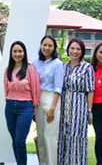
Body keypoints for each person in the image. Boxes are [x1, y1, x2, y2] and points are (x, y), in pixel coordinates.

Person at [58, 37, 94, 165]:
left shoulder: (87, 67)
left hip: (79, 107)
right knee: (63, 136)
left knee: (76, 137)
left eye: (78, 49)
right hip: (63, 106)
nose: (75, 51)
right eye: (72, 48)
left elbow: (90, 90)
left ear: (82, 51)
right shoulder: (63, 66)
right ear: (68, 50)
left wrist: (89, 111)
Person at [4, 40, 40, 165]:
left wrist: (34, 107)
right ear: (11, 53)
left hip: (25, 107)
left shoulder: (30, 69)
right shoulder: (8, 70)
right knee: (14, 140)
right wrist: (7, 102)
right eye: (15, 51)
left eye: (20, 51)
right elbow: (6, 89)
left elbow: (36, 89)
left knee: (20, 140)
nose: (17, 54)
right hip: (9, 107)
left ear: (24, 53)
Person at [32, 35, 64, 165]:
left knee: (50, 137)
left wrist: (52, 108)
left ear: (54, 48)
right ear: (41, 45)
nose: (47, 48)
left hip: (52, 99)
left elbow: (58, 87)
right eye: (45, 45)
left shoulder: (57, 64)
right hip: (38, 100)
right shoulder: (35, 63)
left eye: (50, 45)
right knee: (40, 137)